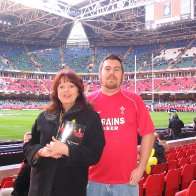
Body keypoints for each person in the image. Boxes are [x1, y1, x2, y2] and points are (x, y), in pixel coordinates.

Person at [23, 70, 105, 196]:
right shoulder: (43, 117)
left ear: (79, 91)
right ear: (56, 91)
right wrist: (40, 151)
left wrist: (67, 150)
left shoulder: (91, 117)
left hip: (71, 188)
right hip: (40, 188)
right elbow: (29, 145)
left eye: (71, 86)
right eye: (61, 86)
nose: (66, 90)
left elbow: (94, 153)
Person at [87, 54, 155, 196]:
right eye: (107, 69)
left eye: (116, 69)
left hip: (127, 181)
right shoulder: (87, 103)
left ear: (123, 75)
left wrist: (141, 168)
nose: (112, 73)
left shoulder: (134, 100)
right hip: (92, 181)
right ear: (100, 74)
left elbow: (148, 133)